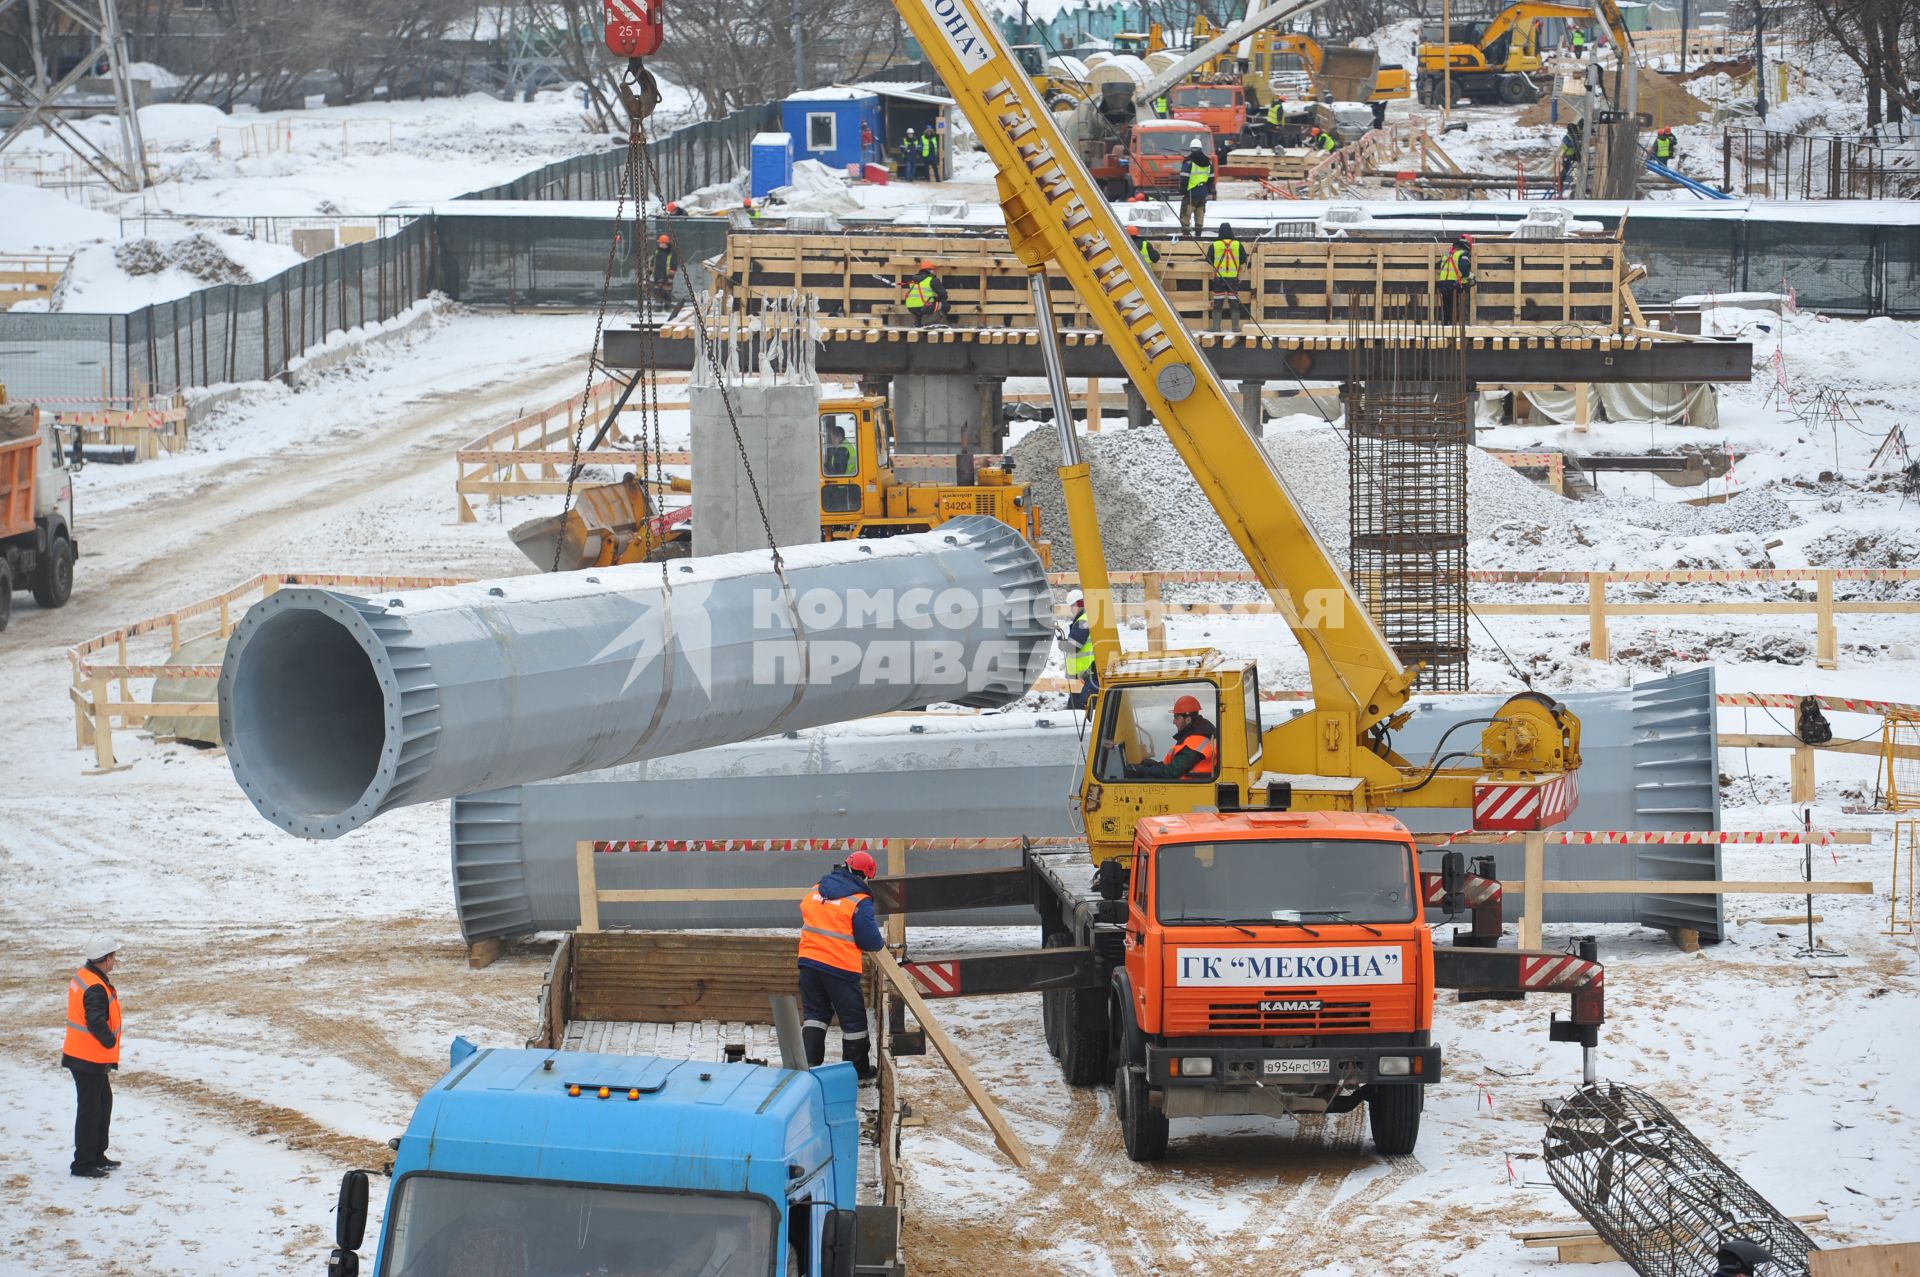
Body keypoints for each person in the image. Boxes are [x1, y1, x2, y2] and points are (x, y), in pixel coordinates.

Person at [798, 851, 886, 1079]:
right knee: (853, 1021)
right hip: (840, 967)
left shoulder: (817, 889)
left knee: (815, 1014)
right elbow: (870, 941)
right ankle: (856, 1072)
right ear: (866, 875)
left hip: (808, 962)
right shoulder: (859, 900)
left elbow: (807, 911)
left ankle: (808, 1066)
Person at [63, 937, 123, 1179]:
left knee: (102, 1104)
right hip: (87, 1058)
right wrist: (109, 1041)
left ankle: (97, 1155)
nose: (115, 961)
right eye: (114, 957)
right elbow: (95, 1020)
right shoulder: (95, 987)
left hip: (86, 1056)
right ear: (106, 959)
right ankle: (83, 1164)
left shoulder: (87, 976)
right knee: (91, 1110)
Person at [1122, 694, 1218, 780]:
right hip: (1187, 786)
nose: (1174, 722)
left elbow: (1172, 772)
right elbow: (1176, 765)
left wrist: (1143, 771)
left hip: (1187, 790)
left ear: (1188, 719)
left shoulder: (1196, 742)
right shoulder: (1196, 735)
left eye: (1177, 718)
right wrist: (1154, 765)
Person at [1208, 222, 1247, 331]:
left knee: (1218, 303)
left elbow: (1209, 260)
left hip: (1218, 279)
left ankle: (1216, 327)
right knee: (1234, 302)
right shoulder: (1238, 245)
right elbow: (1243, 259)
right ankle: (1235, 327)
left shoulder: (1215, 245)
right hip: (1233, 279)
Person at [1062, 596, 1095, 710]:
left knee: (1080, 708)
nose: (1071, 609)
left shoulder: (1084, 621)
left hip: (1084, 674)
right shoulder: (1082, 620)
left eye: (1072, 606)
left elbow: (1073, 646)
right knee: (1075, 707)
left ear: (1078, 604)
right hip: (1081, 674)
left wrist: (1061, 643)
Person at [1176, 143, 1214, 235]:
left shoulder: (1189, 162)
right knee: (1200, 215)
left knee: (1185, 214)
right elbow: (1211, 179)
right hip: (1202, 193)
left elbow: (1184, 178)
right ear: (1201, 148)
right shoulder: (1208, 163)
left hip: (1191, 193)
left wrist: (1183, 190)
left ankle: (1186, 235)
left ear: (1191, 149)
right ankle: (1198, 236)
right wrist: (1207, 190)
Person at [901, 259, 949, 325]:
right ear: (930, 270)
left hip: (910, 307)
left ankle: (918, 323)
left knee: (920, 306)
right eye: (933, 270)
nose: (934, 272)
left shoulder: (913, 280)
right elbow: (944, 295)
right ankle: (927, 323)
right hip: (923, 306)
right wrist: (938, 299)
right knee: (945, 306)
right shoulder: (932, 280)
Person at [1439, 234, 1472, 323]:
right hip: (1454, 284)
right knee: (1456, 306)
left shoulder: (1447, 254)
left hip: (1443, 283)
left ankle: (1447, 325)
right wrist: (1468, 276)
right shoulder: (1463, 253)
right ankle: (1455, 324)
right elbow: (1464, 268)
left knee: (1447, 306)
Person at [650, 233, 677, 307]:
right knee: (657, 292)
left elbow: (673, 266)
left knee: (667, 293)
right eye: (660, 243)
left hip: (666, 277)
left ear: (666, 244)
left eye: (661, 243)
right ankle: (658, 307)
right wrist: (649, 273)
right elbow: (652, 263)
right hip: (657, 276)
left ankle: (667, 307)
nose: (660, 244)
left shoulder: (670, 253)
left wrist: (670, 279)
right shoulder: (657, 252)